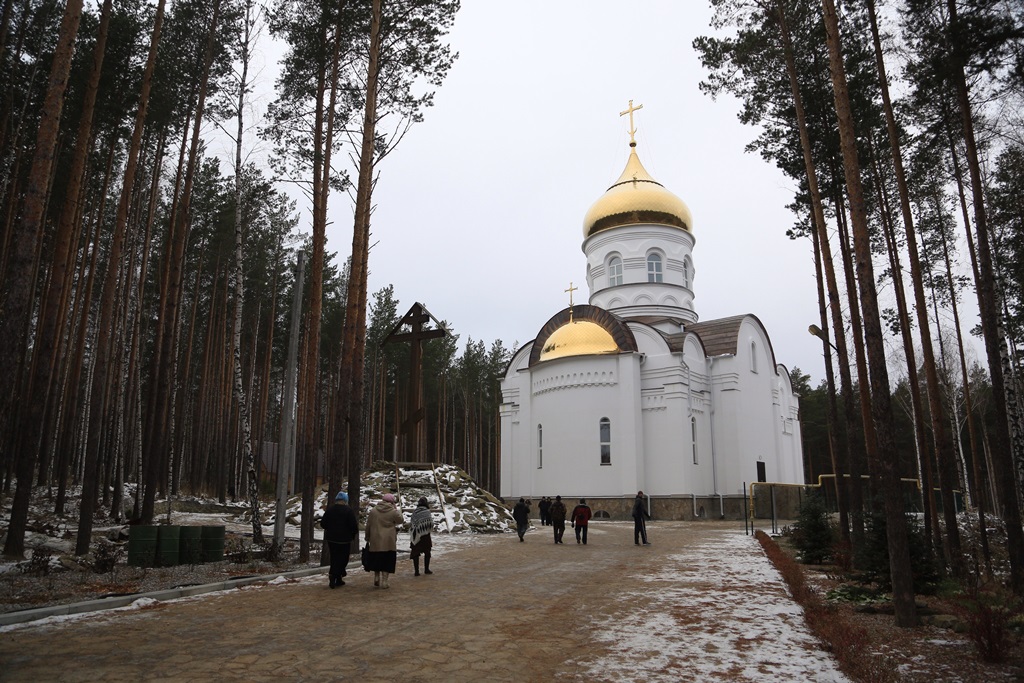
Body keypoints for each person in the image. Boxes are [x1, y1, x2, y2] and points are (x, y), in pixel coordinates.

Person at [319, 491, 359, 588]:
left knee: (334, 558)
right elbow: (353, 526)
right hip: (345, 539)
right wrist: (353, 534)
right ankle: (337, 576)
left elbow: (323, 524)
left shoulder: (330, 510)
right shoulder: (348, 511)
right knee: (343, 559)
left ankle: (334, 576)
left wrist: (330, 529)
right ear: (345, 500)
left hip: (332, 539)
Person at [365, 493, 404, 589]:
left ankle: (376, 576)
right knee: (387, 561)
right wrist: (396, 509)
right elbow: (401, 520)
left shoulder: (373, 511)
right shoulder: (393, 512)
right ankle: (385, 581)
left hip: (375, 540)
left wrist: (367, 537)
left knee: (376, 559)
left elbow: (368, 525)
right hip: (388, 541)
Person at [409, 497, 434, 576]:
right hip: (425, 535)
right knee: (427, 552)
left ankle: (416, 571)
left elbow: (412, 523)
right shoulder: (427, 512)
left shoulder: (415, 512)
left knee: (415, 553)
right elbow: (430, 523)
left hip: (416, 534)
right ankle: (426, 569)